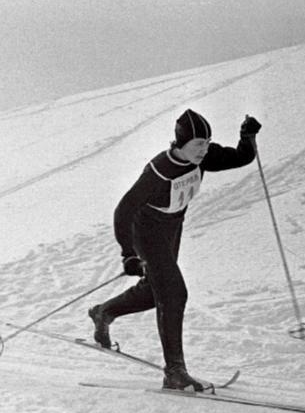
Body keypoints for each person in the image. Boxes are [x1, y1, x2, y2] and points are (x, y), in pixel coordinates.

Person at [89, 109, 262, 391]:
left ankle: (103, 312)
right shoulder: (158, 171)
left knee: (153, 292)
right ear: (181, 143)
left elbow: (241, 157)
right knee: (173, 293)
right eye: (198, 144)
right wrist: (128, 254)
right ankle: (174, 372)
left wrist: (247, 136)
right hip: (146, 231)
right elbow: (124, 210)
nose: (204, 150)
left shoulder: (203, 158)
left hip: (171, 228)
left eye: (207, 143)